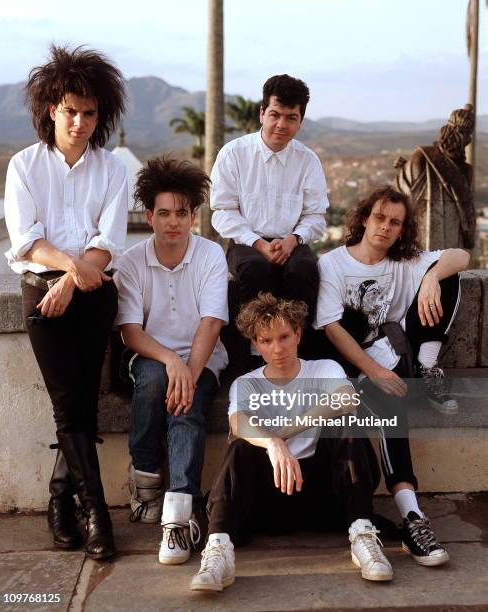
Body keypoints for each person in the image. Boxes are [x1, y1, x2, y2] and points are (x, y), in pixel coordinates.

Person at [4, 45, 127, 559]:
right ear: (52, 107)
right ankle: (96, 513)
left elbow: (109, 240)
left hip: (95, 295)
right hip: (42, 294)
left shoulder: (112, 168)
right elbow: (26, 240)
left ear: (102, 115)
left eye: (90, 112)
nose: (79, 121)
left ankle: (60, 503)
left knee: (80, 405)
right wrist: (69, 268)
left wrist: (75, 278)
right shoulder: (24, 166)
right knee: (68, 406)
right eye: (70, 110)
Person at [191, 293, 393, 592]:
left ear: (298, 334)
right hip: (267, 499)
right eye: (267, 341)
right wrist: (272, 444)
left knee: (347, 424)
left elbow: (346, 398)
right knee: (242, 447)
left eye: (284, 336)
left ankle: (364, 536)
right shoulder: (246, 383)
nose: (278, 348)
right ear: (255, 344)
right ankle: (218, 550)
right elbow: (238, 422)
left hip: (324, 495)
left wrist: (283, 433)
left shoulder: (324, 369)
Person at [315, 185, 470, 567]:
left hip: (394, 356)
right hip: (349, 364)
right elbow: (332, 328)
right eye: (380, 217)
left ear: (402, 230)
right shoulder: (333, 264)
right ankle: (412, 516)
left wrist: (432, 274)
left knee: (448, 275)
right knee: (388, 411)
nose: (385, 227)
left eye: (395, 222)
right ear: (365, 218)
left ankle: (428, 365)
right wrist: (375, 371)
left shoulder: (404, 261)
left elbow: (462, 256)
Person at [114, 156, 228, 565]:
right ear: (149, 215)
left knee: (188, 407)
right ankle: (144, 479)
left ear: (194, 216)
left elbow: (212, 321)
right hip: (149, 357)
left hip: (204, 357)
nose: (173, 222)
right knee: (158, 380)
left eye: (182, 213)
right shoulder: (131, 262)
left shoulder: (211, 255)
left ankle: (178, 515)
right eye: (164, 213)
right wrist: (172, 363)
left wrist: (190, 371)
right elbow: (130, 331)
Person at [210, 74, 329, 365]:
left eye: (291, 117)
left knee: (304, 271)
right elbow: (222, 211)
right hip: (247, 240)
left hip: (292, 239)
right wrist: (258, 243)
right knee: (253, 270)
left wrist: (293, 240)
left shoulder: (308, 160)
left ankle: (298, 351)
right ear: (262, 113)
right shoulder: (234, 154)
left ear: (300, 120)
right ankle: (252, 355)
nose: (281, 125)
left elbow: (315, 215)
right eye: (275, 115)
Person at [395, 104, 476, 250]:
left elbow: (467, 213)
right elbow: (401, 197)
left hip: (451, 245)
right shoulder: (421, 158)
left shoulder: (466, 171)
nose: (465, 138)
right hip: (420, 240)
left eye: (466, 134)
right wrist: (406, 169)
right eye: (461, 133)